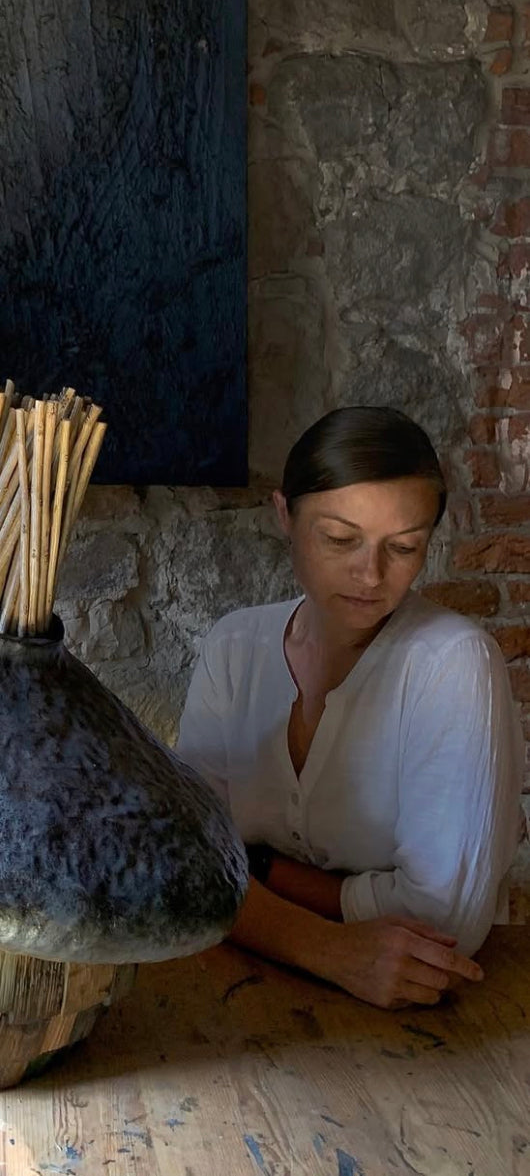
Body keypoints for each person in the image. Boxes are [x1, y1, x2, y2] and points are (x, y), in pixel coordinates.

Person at [175, 406, 524, 1010]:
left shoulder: (453, 664)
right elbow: (184, 867)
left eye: (405, 546)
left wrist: (261, 871)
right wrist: (329, 948)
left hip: (413, 1022)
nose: (371, 575)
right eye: (339, 539)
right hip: (228, 983)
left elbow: (446, 920)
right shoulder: (234, 647)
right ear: (285, 515)